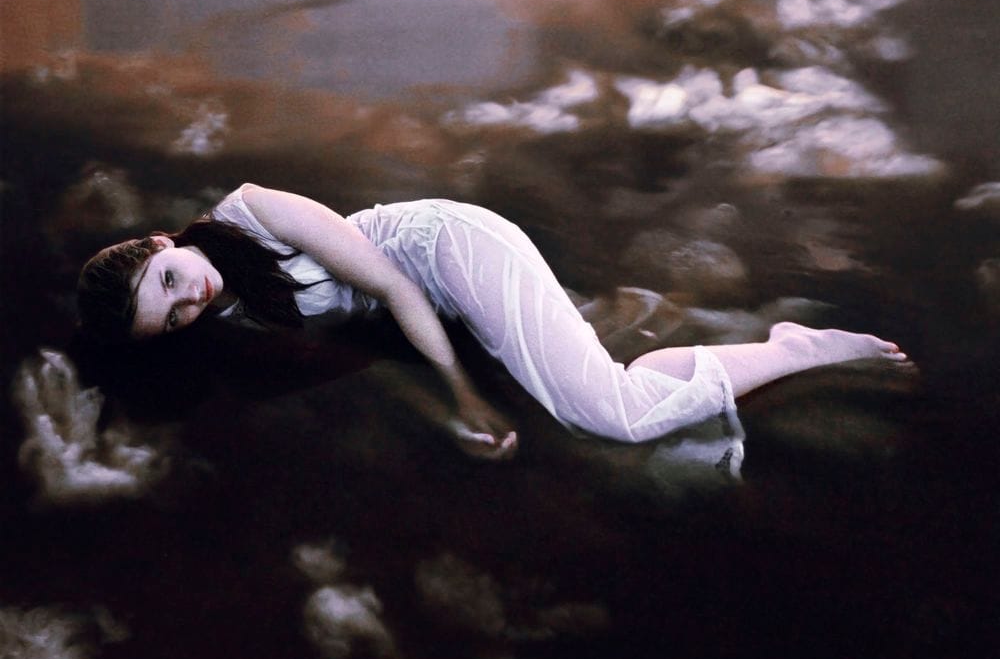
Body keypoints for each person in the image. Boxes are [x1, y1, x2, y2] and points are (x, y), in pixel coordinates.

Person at [77, 184, 909, 460]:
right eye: (174, 318)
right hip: (437, 297)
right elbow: (361, 344)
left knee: (611, 416)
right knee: (596, 403)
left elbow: (392, 289)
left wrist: (461, 396)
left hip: (449, 252)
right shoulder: (232, 310)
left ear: (160, 241)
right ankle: (761, 353)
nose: (191, 300)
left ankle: (796, 348)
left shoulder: (251, 210)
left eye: (171, 280)